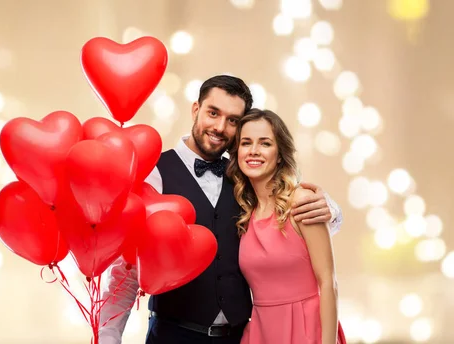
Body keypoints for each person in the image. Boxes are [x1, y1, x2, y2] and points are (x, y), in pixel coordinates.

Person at [98, 75, 343, 344]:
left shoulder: (246, 178)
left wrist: (329, 207)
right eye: (213, 113)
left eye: (233, 120)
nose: (219, 127)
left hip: (240, 337)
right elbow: (128, 269)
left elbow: (289, 217)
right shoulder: (155, 174)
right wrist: (108, 335)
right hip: (173, 335)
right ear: (196, 110)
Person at [227, 108, 346, 343]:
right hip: (261, 332)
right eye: (246, 143)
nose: (254, 151)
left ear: (280, 154)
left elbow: (328, 282)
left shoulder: (302, 201)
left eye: (265, 143)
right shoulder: (243, 212)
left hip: (307, 330)